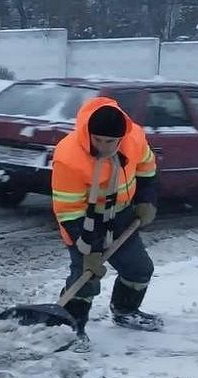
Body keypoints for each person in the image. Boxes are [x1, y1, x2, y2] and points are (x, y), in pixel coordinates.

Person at [50, 97, 161, 352]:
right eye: (97, 139)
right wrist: (91, 251)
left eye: (110, 142)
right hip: (83, 221)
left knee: (139, 269)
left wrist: (146, 201)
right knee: (87, 278)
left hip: (121, 214)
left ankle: (125, 310)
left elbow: (147, 169)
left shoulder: (135, 139)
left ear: (122, 137)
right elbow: (68, 211)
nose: (102, 146)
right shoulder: (68, 156)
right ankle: (71, 327)